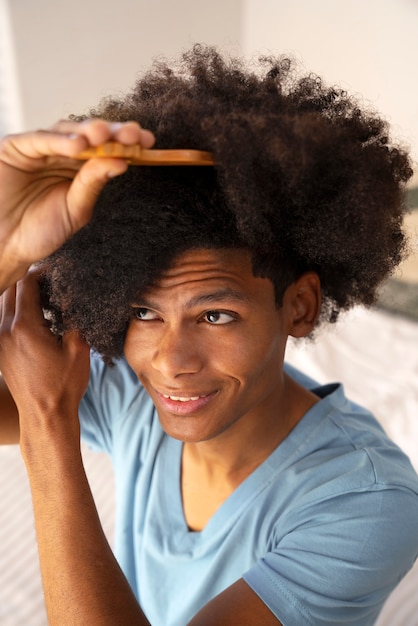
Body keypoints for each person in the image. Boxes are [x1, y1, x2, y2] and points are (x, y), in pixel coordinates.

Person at [0, 45, 417, 626]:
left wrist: (48, 424)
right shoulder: (133, 393)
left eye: (215, 315)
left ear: (299, 306)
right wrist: (8, 246)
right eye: (144, 312)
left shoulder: (368, 504)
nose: (170, 362)